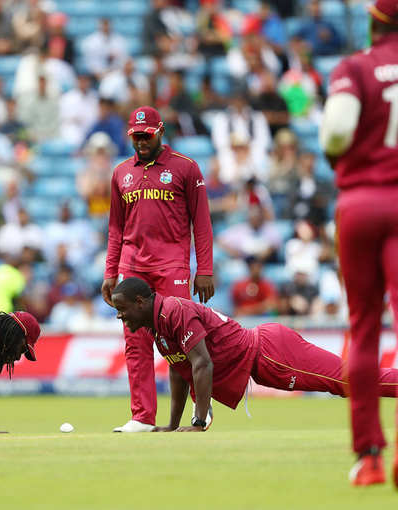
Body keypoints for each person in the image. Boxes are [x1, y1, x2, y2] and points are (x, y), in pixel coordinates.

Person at [109, 277, 398, 435]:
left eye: (121, 309)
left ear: (140, 301)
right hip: (265, 357)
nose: (120, 316)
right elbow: (179, 370)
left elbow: (202, 363)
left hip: (272, 354)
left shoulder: (174, 311)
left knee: (349, 383)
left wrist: (198, 422)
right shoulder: (155, 325)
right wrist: (172, 425)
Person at [319, 0, 398, 487]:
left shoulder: (354, 67)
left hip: (361, 204)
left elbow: (336, 134)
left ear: (374, 21)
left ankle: (369, 456)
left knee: (364, 329)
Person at [101, 106, 214, 433]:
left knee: (182, 340)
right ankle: (142, 417)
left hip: (171, 266)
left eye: (146, 136)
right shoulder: (121, 172)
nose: (140, 142)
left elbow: (202, 224)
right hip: (132, 267)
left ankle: (200, 407)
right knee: (134, 340)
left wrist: (203, 267)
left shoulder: (185, 168)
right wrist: (110, 271)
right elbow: (115, 229)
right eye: (135, 136)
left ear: (160, 131)